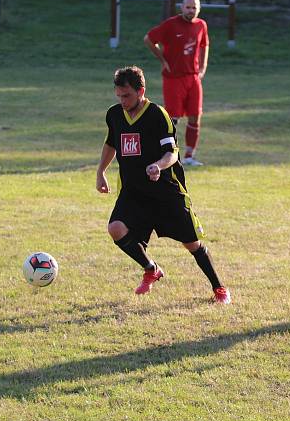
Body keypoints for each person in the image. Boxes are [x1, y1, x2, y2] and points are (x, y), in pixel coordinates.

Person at [96, 66, 231, 304]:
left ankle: (219, 288)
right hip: (134, 191)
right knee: (116, 228)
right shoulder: (114, 114)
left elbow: (172, 153)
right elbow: (111, 143)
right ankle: (151, 269)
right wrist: (101, 172)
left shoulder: (158, 115)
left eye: (126, 95)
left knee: (192, 244)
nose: (122, 100)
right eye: (118, 95)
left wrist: (158, 165)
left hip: (165, 192)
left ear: (141, 91)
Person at [144, 0, 209, 167]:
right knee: (172, 118)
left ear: (199, 9)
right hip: (173, 78)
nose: (191, 10)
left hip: (193, 78)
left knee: (195, 116)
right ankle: (168, 155)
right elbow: (148, 39)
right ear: (182, 8)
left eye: (194, 7)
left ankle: (189, 156)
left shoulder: (201, 25)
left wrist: (202, 68)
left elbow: (204, 45)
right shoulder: (171, 24)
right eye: (188, 7)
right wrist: (163, 60)